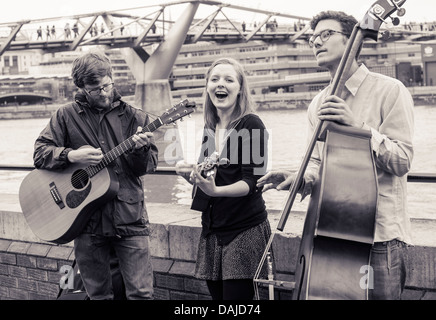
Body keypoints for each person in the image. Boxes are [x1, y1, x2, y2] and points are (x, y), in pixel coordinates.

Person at [257, 10, 414, 300]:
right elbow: (317, 162)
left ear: (353, 41)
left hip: (380, 237)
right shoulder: (317, 102)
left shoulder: (390, 90)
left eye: (326, 34)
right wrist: (299, 178)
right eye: (312, 38)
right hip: (331, 234)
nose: (316, 41)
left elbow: (402, 160)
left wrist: (359, 127)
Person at [33, 51, 158, 300]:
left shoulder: (136, 117)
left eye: (106, 85)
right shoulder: (65, 116)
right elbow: (39, 153)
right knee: (98, 295)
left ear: (111, 77)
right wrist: (70, 156)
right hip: (85, 222)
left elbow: (148, 166)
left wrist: (141, 149)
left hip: (129, 221)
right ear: (81, 88)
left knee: (141, 295)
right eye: (95, 89)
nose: (103, 93)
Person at [176, 57, 271, 300]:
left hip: (244, 229)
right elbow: (209, 179)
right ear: (207, 87)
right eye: (215, 79)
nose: (221, 84)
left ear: (240, 89)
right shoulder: (210, 127)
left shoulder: (251, 124)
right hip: (212, 230)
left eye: (229, 79)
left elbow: (253, 183)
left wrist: (215, 190)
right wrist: (191, 175)